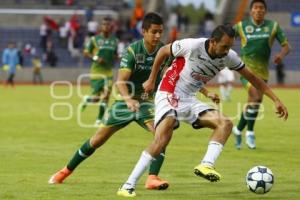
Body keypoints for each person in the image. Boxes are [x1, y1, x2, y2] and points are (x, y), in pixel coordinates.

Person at [117, 24, 288, 197]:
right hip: (169, 92)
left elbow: (253, 78)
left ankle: (206, 164)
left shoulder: (229, 57)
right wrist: (152, 79)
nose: (227, 51)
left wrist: (276, 100)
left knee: (225, 123)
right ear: (213, 42)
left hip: (190, 99)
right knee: (162, 138)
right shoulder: (192, 45)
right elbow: (162, 52)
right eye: (224, 46)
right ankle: (127, 185)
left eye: (230, 46)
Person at [49, 12, 170, 192]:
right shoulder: (133, 51)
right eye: (154, 32)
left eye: (161, 32)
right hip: (124, 102)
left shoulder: (165, 51)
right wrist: (128, 100)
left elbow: (176, 74)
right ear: (143, 31)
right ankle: (65, 171)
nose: (158, 36)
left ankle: (152, 177)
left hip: (146, 103)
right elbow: (120, 82)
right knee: (97, 140)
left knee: (162, 135)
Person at [232, 0, 291, 149]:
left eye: (261, 8)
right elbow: (226, 36)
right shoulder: (241, 26)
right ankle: (249, 133)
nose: (258, 10)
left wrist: (281, 55)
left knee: (255, 103)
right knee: (255, 97)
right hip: (246, 70)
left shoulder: (273, 26)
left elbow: (286, 46)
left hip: (263, 73)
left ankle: (239, 130)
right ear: (251, 11)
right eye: (256, 8)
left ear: (265, 11)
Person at [81, 17, 119, 125]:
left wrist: (118, 57)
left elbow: (115, 54)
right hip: (96, 72)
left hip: (108, 72)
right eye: (104, 24)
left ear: (111, 27)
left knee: (106, 95)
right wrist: (96, 58)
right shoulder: (94, 39)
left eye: (108, 25)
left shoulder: (115, 40)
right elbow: (86, 52)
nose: (106, 26)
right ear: (101, 27)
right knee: (96, 99)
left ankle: (99, 119)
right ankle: (87, 99)